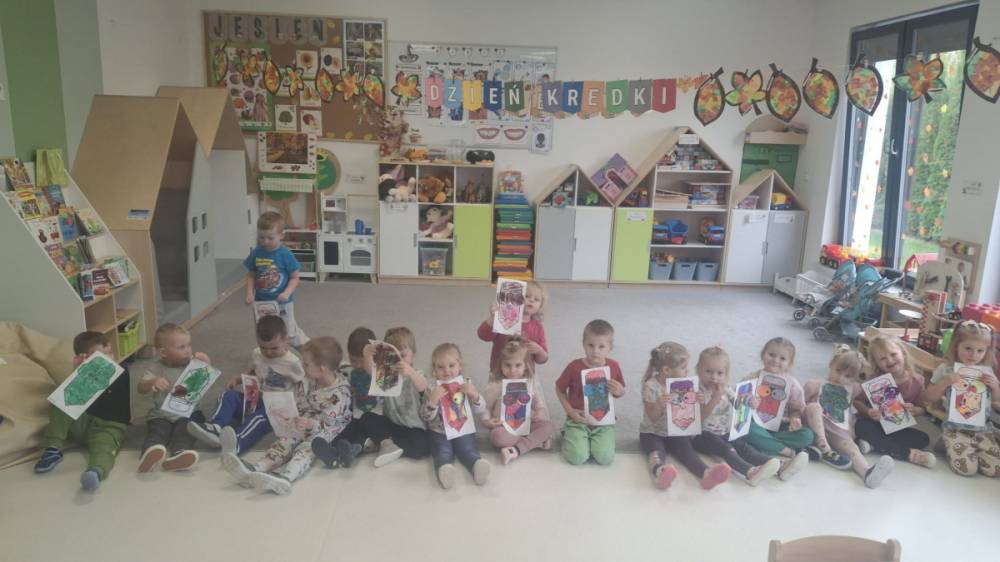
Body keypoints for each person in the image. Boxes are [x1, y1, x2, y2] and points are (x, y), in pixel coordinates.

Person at [224, 337, 351, 495]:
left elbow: (331, 424)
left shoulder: (339, 395)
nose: (302, 366)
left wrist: (311, 424)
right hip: (303, 419)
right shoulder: (309, 379)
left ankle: (286, 477)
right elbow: (299, 399)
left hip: (325, 429)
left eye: (306, 364)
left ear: (322, 369)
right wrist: (286, 410)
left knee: (306, 449)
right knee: (286, 439)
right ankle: (259, 467)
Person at [187, 316, 307, 458]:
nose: (268, 352)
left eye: (274, 348)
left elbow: (304, 386)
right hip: (256, 397)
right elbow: (252, 372)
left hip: (277, 408)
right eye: (263, 347)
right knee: (228, 395)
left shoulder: (293, 363)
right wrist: (238, 379)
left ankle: (237, 443)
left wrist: (299, 408)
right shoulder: (257, 353)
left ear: (285, 340)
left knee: (258, 419)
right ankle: (216, 428)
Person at [34, 332, 131, 492]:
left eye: (110, 353)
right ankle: (53, 448)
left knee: (104, 449)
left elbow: (109, 387)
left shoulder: (122, 371)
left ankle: (95, 472)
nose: (109, 358)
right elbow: (71, 398)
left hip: (109, 427)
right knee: (62, 399)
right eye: (102, 356)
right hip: (83, 422)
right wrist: (77, 372)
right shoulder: (84, 373)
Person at [639, 342, 731, 490]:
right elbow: (652, 417)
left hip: (675, 431)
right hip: (652, 433)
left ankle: (706, 474)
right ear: (667, 370)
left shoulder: (684, 384)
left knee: (688, 452)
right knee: (656, 452)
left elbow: (689, 413)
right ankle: (661, 472)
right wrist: (659, 404)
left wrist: (697, 401)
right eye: (683, 368)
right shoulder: (651, 386)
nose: (687, 371)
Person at [803, 345, 895, 488]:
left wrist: (861, 365)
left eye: (848, 376)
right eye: (838, 371)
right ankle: (824, 448)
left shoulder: (854, 388)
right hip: (814, 425)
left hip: (838, 431)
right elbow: (798, 404)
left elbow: (871, 381)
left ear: (854, 378)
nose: (840, 378)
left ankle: (867, 473)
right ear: (831, 364)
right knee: (813, 407)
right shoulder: (814, 384)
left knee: (853, 450)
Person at [690, 346, 781, 486]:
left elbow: (738, 401)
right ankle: (749, 472)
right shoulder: (697, 391)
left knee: (742, 446)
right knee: (727, 449)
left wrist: (751, 402)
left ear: (726, 375)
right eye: (708, 371)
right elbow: (700, 417)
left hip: (723, 431)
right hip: (701, 435)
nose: (714, 377)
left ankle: (777, 465)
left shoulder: (725, 389)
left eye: (719, 373)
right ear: (698, 370)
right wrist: (715, 397)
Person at [922, 321, 999, 476]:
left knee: (996, 470)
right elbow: (928, 397)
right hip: (955, 428)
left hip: (982, 429)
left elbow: (996, 402)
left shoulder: (987, 372)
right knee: (967, 469)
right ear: (956, 345)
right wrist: (944, 382)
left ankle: (963, 448)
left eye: (980, 351)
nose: (973, 355)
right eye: (968, 348)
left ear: (987, 351)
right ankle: (950, 442)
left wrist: (996, 387)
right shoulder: (946, 369)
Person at [135, 324, 213, 473]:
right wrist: (153, 382)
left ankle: (179, 454)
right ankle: (149, 454)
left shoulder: (193, 364)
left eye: (189, 345)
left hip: (188, 413)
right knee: (157, 433)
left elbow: (206, 379)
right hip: (161, 414)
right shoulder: (156, 368)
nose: (188, 350)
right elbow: (140, 388)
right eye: (181, 347)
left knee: (185, 432)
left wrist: (206, 363)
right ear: (163, 353)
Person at [855, 335, 936, 468]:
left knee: (923, 439)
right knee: (861, 427)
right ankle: (907, 454)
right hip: (871, 423)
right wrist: (868, 411)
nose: (890, 360)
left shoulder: (917, 380)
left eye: (893, 354)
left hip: (895, 427)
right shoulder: (875, 379)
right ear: (876, 363)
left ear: (903, 353)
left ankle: (875, 445)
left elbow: (922, 408)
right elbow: (857, 401)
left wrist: (915, 410)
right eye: (882, 359)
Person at [555, 319, 625, 465]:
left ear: (610, 347)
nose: (595, 351)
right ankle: (568, 432)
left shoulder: (614, 366)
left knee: (605, 458)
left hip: (603, 422)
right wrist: (570, 412)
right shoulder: (574, 367)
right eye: (590, 345)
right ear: (583, 344)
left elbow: (620, 391)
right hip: (578, 419)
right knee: (577, 457)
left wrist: (620, 391)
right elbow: (559, 389)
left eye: (601, 346)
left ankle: (592, 440)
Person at [420, 343, 490, 488]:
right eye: (440, 367)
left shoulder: (466, 384)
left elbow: (481, 409)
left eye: (451, 365)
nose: (447, 371)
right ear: (434, 370)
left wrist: (475, 395)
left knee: (468, 449)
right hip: (439, 432)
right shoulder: (432, 388)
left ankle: (476, 465)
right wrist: (433, 401)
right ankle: (444, 470)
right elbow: (425, 417)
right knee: (442, 452)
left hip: (463, 429)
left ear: (460, 366)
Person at [742, 337, 813, 481]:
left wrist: (794, 419)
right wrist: (749, 401)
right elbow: (739, 398)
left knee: (807, 435)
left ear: (790, 363)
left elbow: (796, 408)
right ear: (763, 355)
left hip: (781, 426)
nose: (775, 360)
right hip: (757, 424)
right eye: (771, 355)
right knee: (745, 428)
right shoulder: (752, 377)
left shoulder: (792, 384)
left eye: (782, 358)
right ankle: (787, 451)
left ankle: (766, 444)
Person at [358, 327, 431, 466]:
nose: (398, 361)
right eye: (392, 356)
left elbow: (423, 388)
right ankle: (386, 443)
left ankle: (383, 442)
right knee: (366, 418)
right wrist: (367, 356)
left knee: (423, 446)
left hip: (413, 428)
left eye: (403, 356)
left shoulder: (417, 375)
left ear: (413, 355)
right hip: (391, 423)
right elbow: (370, 371)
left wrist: (410, 372)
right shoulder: (387, 375)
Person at [481, 338, 554, 465]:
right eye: (507, 365)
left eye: (518, 365)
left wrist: (539, 412)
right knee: (497, 437)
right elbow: (485, 407)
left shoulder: (530, 383)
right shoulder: (496, 386)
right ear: (501, 365)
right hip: (504, 427)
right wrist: (487, 421)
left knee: (548, 426)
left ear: (525, 366)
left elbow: (539, 404)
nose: (512, 370)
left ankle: (515, 449)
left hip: (526, 424)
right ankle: (534, 443)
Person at [312, 326, 377, 468]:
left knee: (364, 435)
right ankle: (333, 454)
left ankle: (352, 451)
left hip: (372, 417)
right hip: (353, 416)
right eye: (353, 360)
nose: (358, 365)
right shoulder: (346, 371)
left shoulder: (377, 373)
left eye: (362, 361)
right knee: (343, 433)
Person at [244, 211, 307, 347]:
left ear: (281, 235)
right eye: (261, 237)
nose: (265, 241)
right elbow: (251, 275)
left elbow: (295, 277)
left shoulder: (286, 254)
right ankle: (270, 357)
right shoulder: (256, 252)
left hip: (283, 303)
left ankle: (311, 352)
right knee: (265, 335)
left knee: (289, 334)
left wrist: (287, 293)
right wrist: (249, 293)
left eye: (270, 238)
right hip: (261, 303)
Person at [477, 280, 548, 372]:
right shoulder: (503, 319)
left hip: (525, 373)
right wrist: (493, 317)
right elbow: (483, 336)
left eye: (536, 299)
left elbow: (542, 359)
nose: (531, 300)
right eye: (526, 296)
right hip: (499, 370)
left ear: (540, 306)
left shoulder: (538, 328)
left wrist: (539, 351)